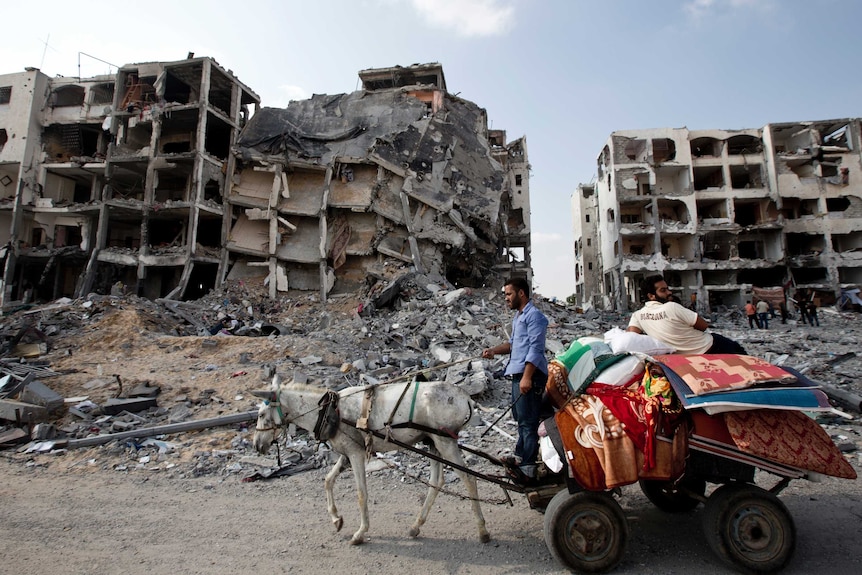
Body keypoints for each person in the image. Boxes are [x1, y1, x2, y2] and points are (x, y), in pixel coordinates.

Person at [482, 277, 549, 485]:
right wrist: (493, 350)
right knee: (521, 420)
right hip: (518, 375)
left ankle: (528, 470)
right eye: (505, 295)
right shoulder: (519, 317)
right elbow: (513, 344)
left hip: (530, 377)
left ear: (521, 294)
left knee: (528, 423)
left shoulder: (535, 316)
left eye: (509, 294)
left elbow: (536, 349)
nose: (506, 299)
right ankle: (521, 460)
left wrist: (527, 377)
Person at [627, 275, 746, 354]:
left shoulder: (638, 315)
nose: (669, 292)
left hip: (681, 355)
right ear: (651, 296)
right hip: (709, 346)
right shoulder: (671, 306)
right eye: (663, 290)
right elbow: (703, 325)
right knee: (741, 353)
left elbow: (631, 338)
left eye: (667, 289)